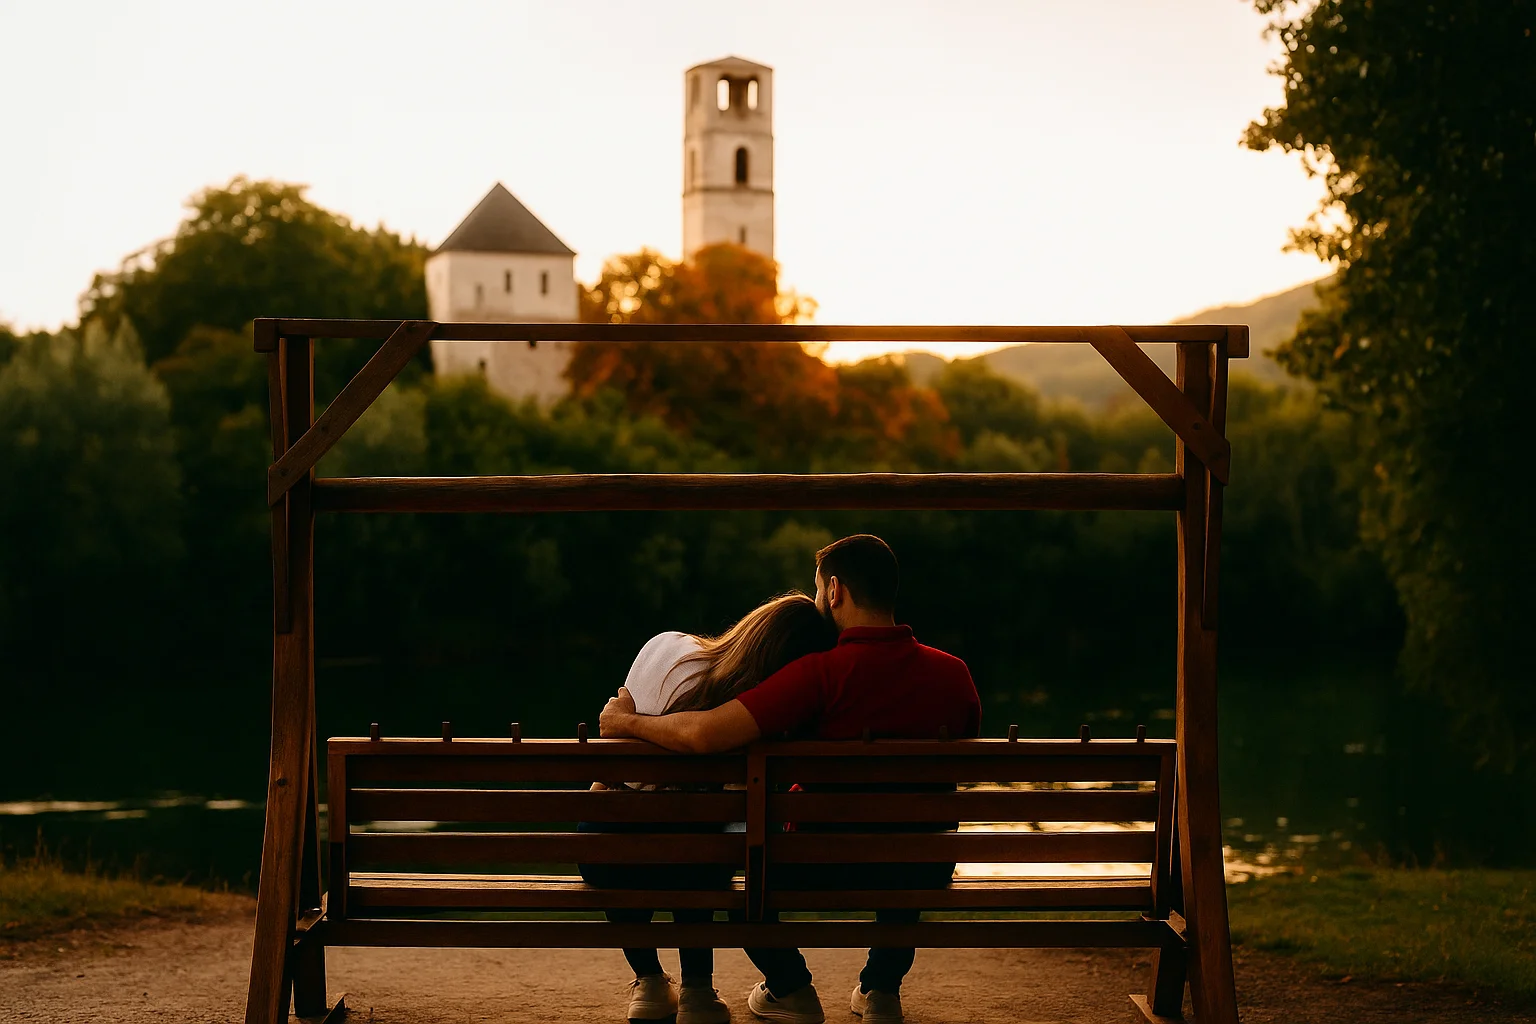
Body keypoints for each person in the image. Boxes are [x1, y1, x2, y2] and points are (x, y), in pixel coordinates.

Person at [601, 535, 980, 1024]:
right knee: (910, 831)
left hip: (813, 864)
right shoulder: (955, 675)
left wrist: (627, 724)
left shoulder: (817, 675)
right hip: (920, 866)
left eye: (819, 588)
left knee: (744, 847)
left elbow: (702, 734)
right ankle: (881, 989)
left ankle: (791, 987)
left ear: (836, 590)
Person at [583, 592, 837, 1024]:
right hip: (696, 867)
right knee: (701, 839)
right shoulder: (758, 715)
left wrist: (623, 729)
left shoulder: (664, 646)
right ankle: (697, 990)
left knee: (617, 820)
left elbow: (609, 771)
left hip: (611, 862)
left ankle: (648, 980)